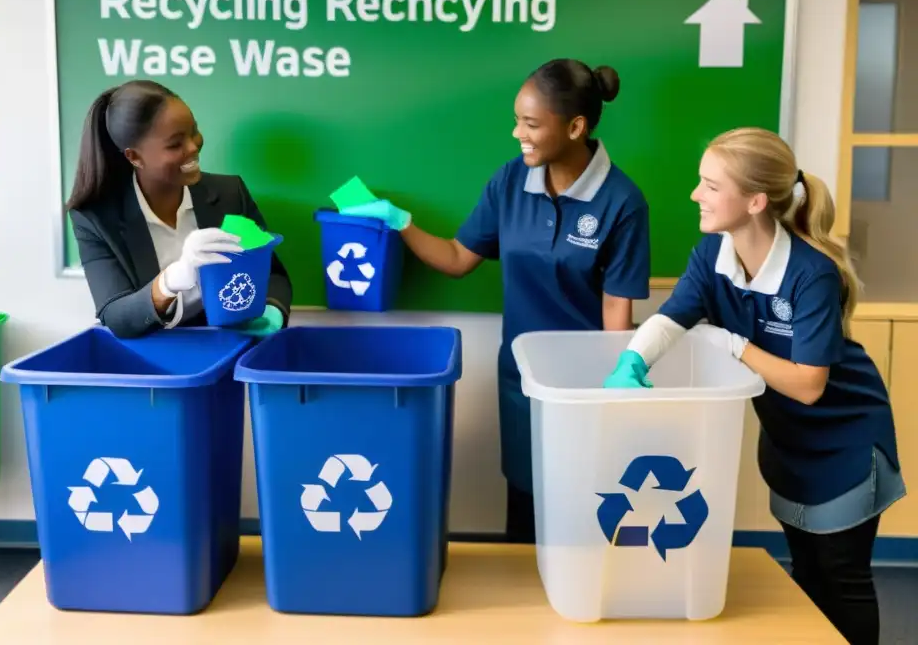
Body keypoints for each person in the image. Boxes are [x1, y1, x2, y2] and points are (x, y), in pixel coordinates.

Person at [603, 127, 902, 645]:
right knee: (806, 577)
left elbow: (809, 385)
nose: (696, 194)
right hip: (788, 445)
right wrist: (630, 362)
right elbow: (672, 320)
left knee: (843, 581)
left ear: (756, 201)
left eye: (711, 186)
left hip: (847, 445)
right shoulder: (711, 257)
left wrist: (733, 345)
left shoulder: (811, 273)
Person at [344, 59, 651, 542]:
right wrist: (400, 221)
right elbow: (457, 258)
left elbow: (617, 313)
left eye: (530, 124)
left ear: (575, 127)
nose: (517, 133)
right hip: (521, 379)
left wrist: (616, 388)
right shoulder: (510, 182)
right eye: (517, 120)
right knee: (526, 502)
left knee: (583, 502)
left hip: (586, 385)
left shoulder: (622, 201)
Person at [65, 80, 292, 339]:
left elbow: (273, 273)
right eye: (175, 144)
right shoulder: (95, 218)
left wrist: (272, 313)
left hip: (226, 348)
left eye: (194, 132)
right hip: (155, 363)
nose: (193, 147)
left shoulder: (230, 193)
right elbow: (116, 315)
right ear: (134, 157)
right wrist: (172, 279)